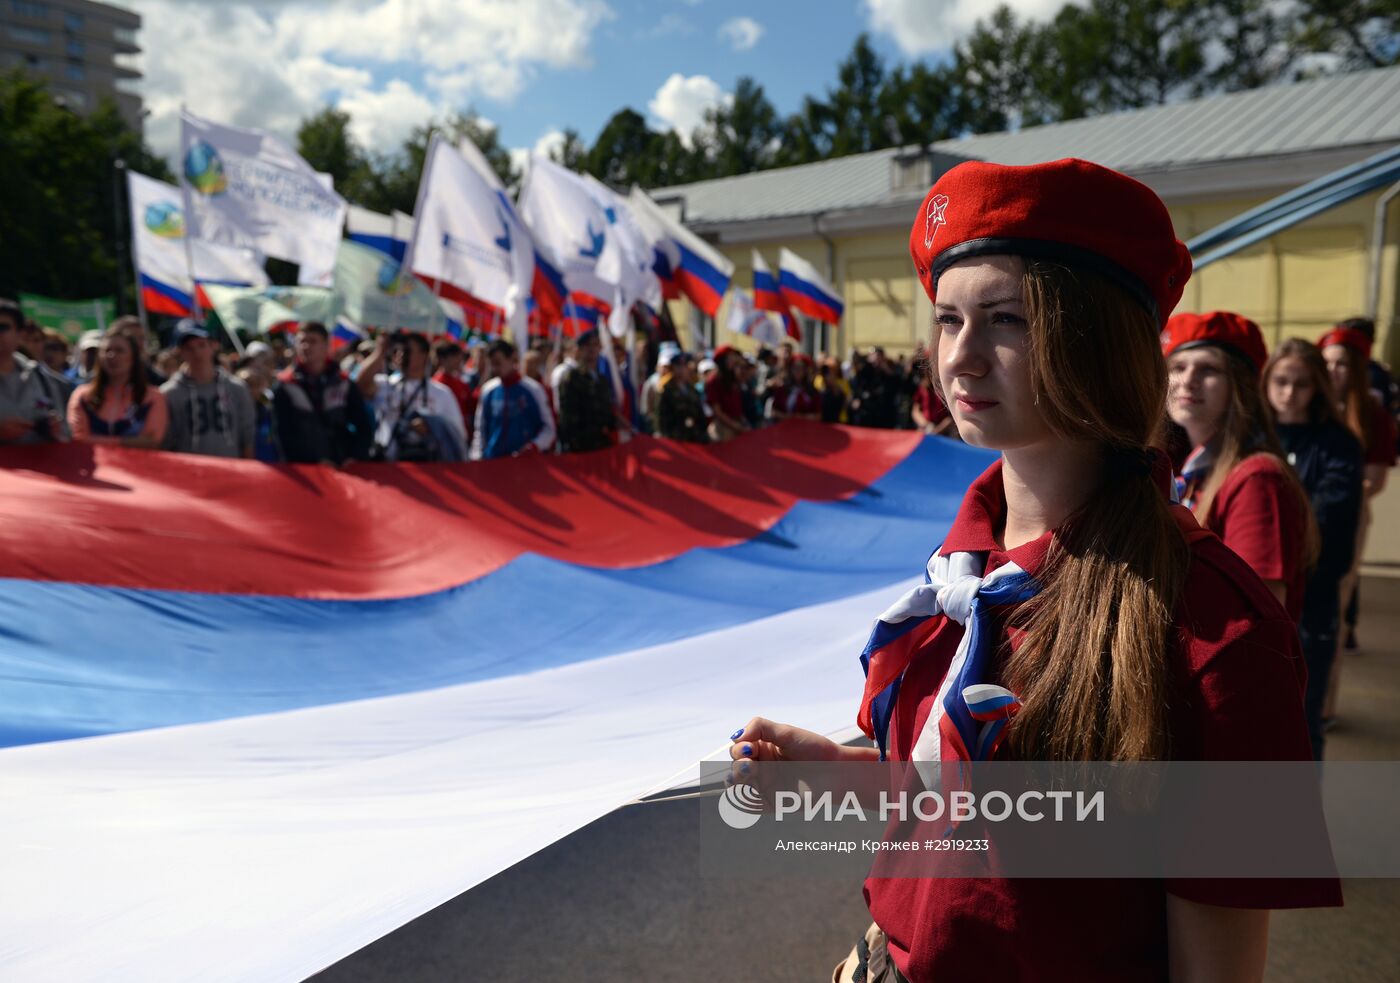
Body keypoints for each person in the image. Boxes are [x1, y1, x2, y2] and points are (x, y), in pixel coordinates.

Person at [729, 159, 1339, 982]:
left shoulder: (1215, 626)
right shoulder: (962, 568)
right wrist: (834, 773)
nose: (962, 359)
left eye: (1006, 319)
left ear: (1100, 340)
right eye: (948, 319)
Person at [1163, 310, 1316, 622]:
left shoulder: (1258, 478)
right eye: (1177, 366)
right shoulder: (1178, 465)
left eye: (1208, 369)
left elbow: (1260, 615)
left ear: (1240, 384)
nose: (1187, 380)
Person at [1263, 338, 1364, 759]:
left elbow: (1332, 518)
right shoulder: (1254, 436)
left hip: (1311, 598)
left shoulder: (1337, 443)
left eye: (1301, 384)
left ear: (1318, 387)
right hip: (1260, 596)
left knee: (1304, 723)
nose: (1289, 393)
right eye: (1281, 381)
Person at [1320, 323, 1397, 655]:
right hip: (1304, 513)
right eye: (1327, 363)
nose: (1333, 371)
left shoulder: (1373, 415)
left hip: (1348, 514)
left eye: (1342, 364)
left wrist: (1333, 497)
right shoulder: (1306, 406)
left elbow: (1376, 479)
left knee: (1339, 595)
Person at [271, 321, 375, 466]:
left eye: (313, 341)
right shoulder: (285, 385)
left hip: (343, 467)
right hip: (306, 469)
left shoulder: (343, 383)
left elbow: (364, 426)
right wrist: (313, 461)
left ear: (327, 345)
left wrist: (354, 457)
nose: (306, 346)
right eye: (301, 341)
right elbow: (282, 434)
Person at [359, 331, 467, 462]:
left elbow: (458, 434)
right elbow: (361, 385)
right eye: (399, 350)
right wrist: (380, 351)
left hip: (428, 466)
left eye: (408, 350)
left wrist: (431, 426)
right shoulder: (386, 385)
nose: (401, 355)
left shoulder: (441, 393)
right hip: (389, 463)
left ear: (424, 356)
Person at [160, 320, 257, 458]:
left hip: (231, 470)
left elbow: (247, 436)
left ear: (213, 345)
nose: (196, 352)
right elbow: (166, 442)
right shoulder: (169, 393)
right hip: (189, 473)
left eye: (201, 345)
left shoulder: (237, 388)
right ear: (180, 352)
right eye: (188, 347)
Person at [67, 328, 167, 447]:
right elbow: (78, 439)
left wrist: (97, 440)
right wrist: (129, 442)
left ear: (133, 357)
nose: (112, 355)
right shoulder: (82, 396)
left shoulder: (153, 397)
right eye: (107, 350)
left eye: (119, 351)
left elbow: (151, 441)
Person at [0, 299, 71, 445]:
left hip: (37, 464)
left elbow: (65, 433)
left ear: (19, 334)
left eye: (3, 327)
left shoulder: (42, 378)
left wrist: (54, 430)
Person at [471, 339, 556, 460]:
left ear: (512, 358)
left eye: (498, 363)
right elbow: (480, 430)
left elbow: (549, 429)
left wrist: (535, 446)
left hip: (526, 463)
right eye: (492, 364)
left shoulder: (533, 389)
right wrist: (477, 457)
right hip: (493, 462)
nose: (495, 369)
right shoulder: (488, 390)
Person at [556, 329, 616, 453]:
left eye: (595, 345)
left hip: (601, 444)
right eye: (587, 345)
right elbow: (567, 416)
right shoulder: (572, 377)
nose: (591, 350)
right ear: (579, 350)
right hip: (580, 446)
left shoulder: (601, 379)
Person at [433, 340, 478, 446]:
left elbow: (471, 405)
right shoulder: (437, 384)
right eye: (456, 357)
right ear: (444, 359)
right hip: (446, 439)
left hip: (462, 436)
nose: (460, 361)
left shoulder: (461, 382)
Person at [655, 352, 707, 443]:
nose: (681, 370)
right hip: (675, 438)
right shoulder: (666, 390)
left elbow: (700, 414)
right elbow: (661, 418)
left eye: (684, 367)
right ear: (673, 369)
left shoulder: (693, 390)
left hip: (694, 437)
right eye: (678, 367)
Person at [704, 346, 748, 442]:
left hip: (737, 424)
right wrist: (734, 426)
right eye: (730, 358)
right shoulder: (713, 381)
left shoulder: (731, 378)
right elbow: (717, 411)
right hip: (723, 428)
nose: (733, 361)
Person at [849, 346, 899, 428]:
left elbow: (896, 384)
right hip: (866, 411)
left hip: (883, 412)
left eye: (879, 357)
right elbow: (856, 386)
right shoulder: (864, 370)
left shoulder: (887, 371)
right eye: (873, 356)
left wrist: (885, 368)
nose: (876, 360)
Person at [109, 315, 167, 386]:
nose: (139, 343)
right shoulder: (97, 382)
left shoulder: (157, 380)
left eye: (141, 338)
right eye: (132, 338)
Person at [764, 352, 821, 422]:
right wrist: (787, 417)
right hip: (785, 428)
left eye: (801, 368)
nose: (798, 371)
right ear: (790, 369)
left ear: (805, 370)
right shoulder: (782, 390)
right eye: (795, 368)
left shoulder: (812, 391)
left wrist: (801, 417)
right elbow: (774, 412)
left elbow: (818, 415)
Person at [910, 361, 954, 436]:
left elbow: (950, 417)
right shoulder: (922, 389)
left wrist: (937, 430)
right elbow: (915, 411)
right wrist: (926, 425)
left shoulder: (944, 390)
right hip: (925, 429)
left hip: (943, 432)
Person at [815, 357, 851, 424]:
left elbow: (847, 400)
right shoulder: (818, 380)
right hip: (823, 419)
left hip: (840, 419)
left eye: (832, 370)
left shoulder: (843, 382)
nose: (829, 373)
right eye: (827, 370)